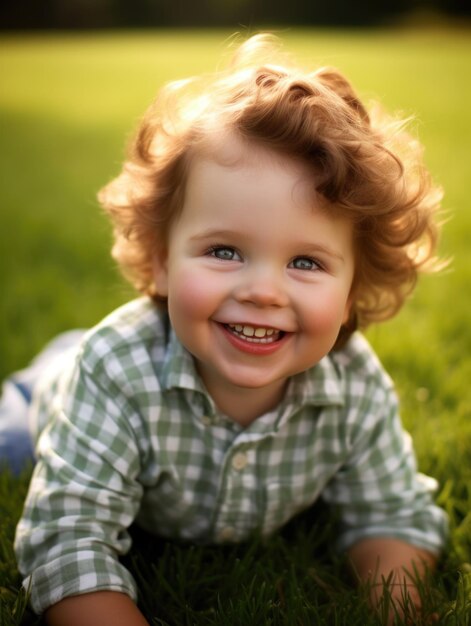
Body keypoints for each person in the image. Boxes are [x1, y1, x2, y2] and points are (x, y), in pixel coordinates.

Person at [10, 34, 448, 625]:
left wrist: (392, 608)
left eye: (306, 262)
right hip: (60, 401)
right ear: (163, 258)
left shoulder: (354, 386)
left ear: (351, 293)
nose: (263, 291)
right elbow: (66, 539)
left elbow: (393, 516)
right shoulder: (116, 370)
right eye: (224, 250)